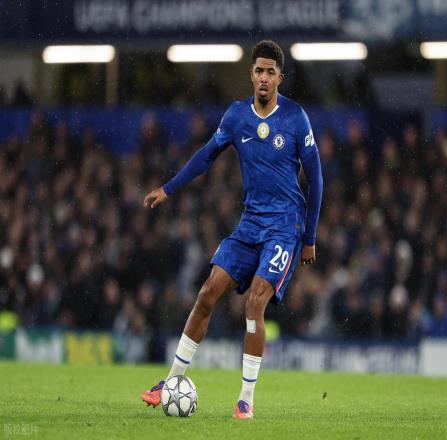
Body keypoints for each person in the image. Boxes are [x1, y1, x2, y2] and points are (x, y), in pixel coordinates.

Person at [141, 40, 323, 419]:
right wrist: (168, 188)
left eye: (270, 72)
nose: (264, 78)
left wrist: (309, 238)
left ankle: (246, 399)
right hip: (250, 224)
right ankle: (170, 381)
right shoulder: (237, 116)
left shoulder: (295, 118)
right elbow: (206, 155)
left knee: (254, 302)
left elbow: (316, 180)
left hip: (284, 228)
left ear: (280, 77)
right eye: (258, 71)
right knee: (208, 292)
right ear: (251, 75)